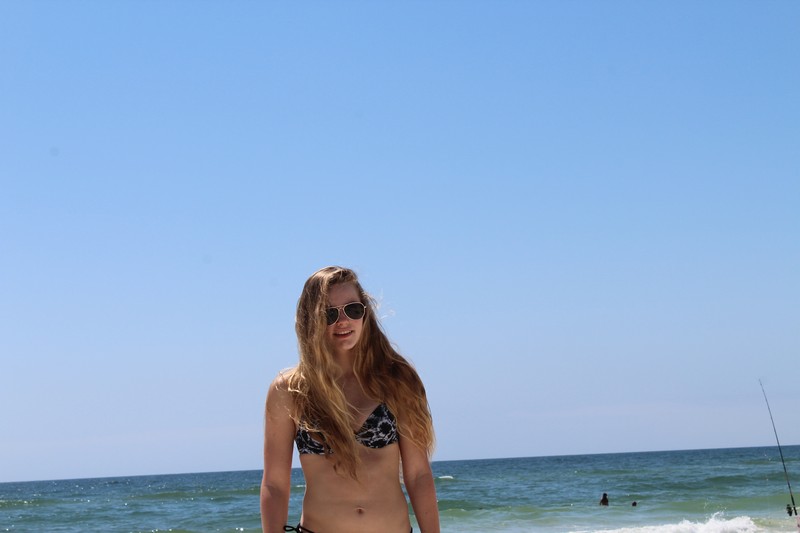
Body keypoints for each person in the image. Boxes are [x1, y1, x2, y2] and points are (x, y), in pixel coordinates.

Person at [260, 266, 440, 533]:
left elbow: (418, 475)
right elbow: (275, 484)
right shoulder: (290, 390)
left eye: (352, 309)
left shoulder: (397, 380)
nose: (343, 321)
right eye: (329, 314)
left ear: (365, 312)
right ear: (311, 320)